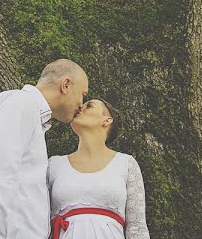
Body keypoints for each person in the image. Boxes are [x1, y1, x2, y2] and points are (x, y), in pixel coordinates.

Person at [0, 59, 89, 239]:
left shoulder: (30, 115)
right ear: (66, 85)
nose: (81, 105)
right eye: (83, 95)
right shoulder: (22, 103)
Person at [46, 98, 149, 239]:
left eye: (90, 105)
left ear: (106, 120)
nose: (80, 107)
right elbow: (37, 222)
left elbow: (137, 227)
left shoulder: (126, 164)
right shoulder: (54, 165)